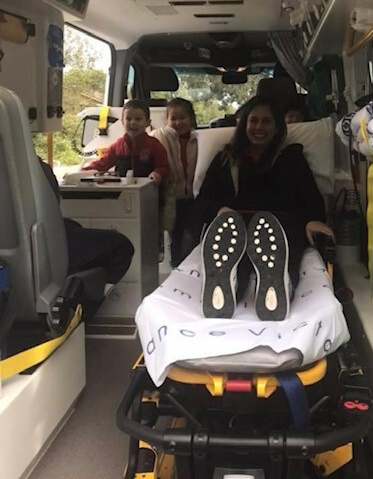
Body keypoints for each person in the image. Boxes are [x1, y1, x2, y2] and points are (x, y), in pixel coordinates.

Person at [196, 95, 333, 321]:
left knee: (281, 251)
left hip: (281, 226)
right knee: (236, 253)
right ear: (245, 124)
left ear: (277, 127)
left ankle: (278, 283)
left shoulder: (291, 158)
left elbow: (312, 202)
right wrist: (219, 210)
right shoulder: (225, 159)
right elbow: (201, 204)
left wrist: (310, 220)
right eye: (254, 121)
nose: (259, 127)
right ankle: (227, 287)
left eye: (266, 121)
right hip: (235, 227)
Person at [39, 158, 134, 319]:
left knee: (72, 225)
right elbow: (52, 205)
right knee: (121, 246)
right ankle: (79, 313)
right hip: (48, 239)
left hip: (28, 243)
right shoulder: (35, 171)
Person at [151, 98, 198, 266]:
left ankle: (192, 264)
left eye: (183, 117)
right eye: (173, 118)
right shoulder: (161, 136)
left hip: (192, 196)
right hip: (172, 196)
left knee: (196, 232)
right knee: (174, 233)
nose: (178, 122)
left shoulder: (197, 139)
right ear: (167, 121)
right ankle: (175, 265)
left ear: (191, 119)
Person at [83, 99, 170, 186]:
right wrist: (84, 171)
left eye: (138, 119)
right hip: (122, 191)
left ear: (148, 122)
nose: (133, 122)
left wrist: (158, 173)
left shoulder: (154, 145)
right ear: (122, 122)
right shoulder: (117, 146)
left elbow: (164, 167)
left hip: (148, 190)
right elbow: (102, 163)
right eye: (128, 119)